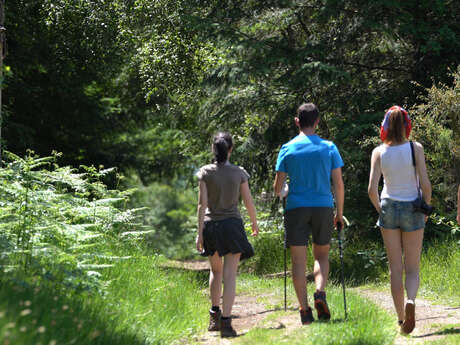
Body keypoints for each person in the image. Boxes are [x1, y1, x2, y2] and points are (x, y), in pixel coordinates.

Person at [273, 103, 344, 325]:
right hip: (323, 206)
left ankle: (304, 310)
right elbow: (338, 185)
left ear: (297, 122)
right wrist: (339, 213)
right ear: (317, 121)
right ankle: (320, 293)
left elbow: (278, 189)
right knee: (321, 255)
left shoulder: (287, 148)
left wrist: (285, 191)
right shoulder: (329, 147)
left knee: (298, 261)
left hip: (296, 208)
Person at [368, 105, 432, 334]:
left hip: (389, 207)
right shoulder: (416, 148)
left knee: (395, 268)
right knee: (412, 267)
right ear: (406, 125)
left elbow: (371, 189)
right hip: (413, 207)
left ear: (385, 126)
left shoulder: (378, 152)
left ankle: (400, 319)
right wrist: (426, 208)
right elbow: (425, 183)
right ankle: (412, 301)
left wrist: (380, 210)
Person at [196, 132, 259, 338]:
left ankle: (214, 315)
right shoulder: (239, 173)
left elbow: (201, 205)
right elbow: (248, 201)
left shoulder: (205, 172)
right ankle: (227, 323)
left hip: (211, 225)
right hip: (232, 225)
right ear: (230, 149)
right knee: (230, 274)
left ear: (213, 150)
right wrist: (254, 223)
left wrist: (199, 233)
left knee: (216, 271)